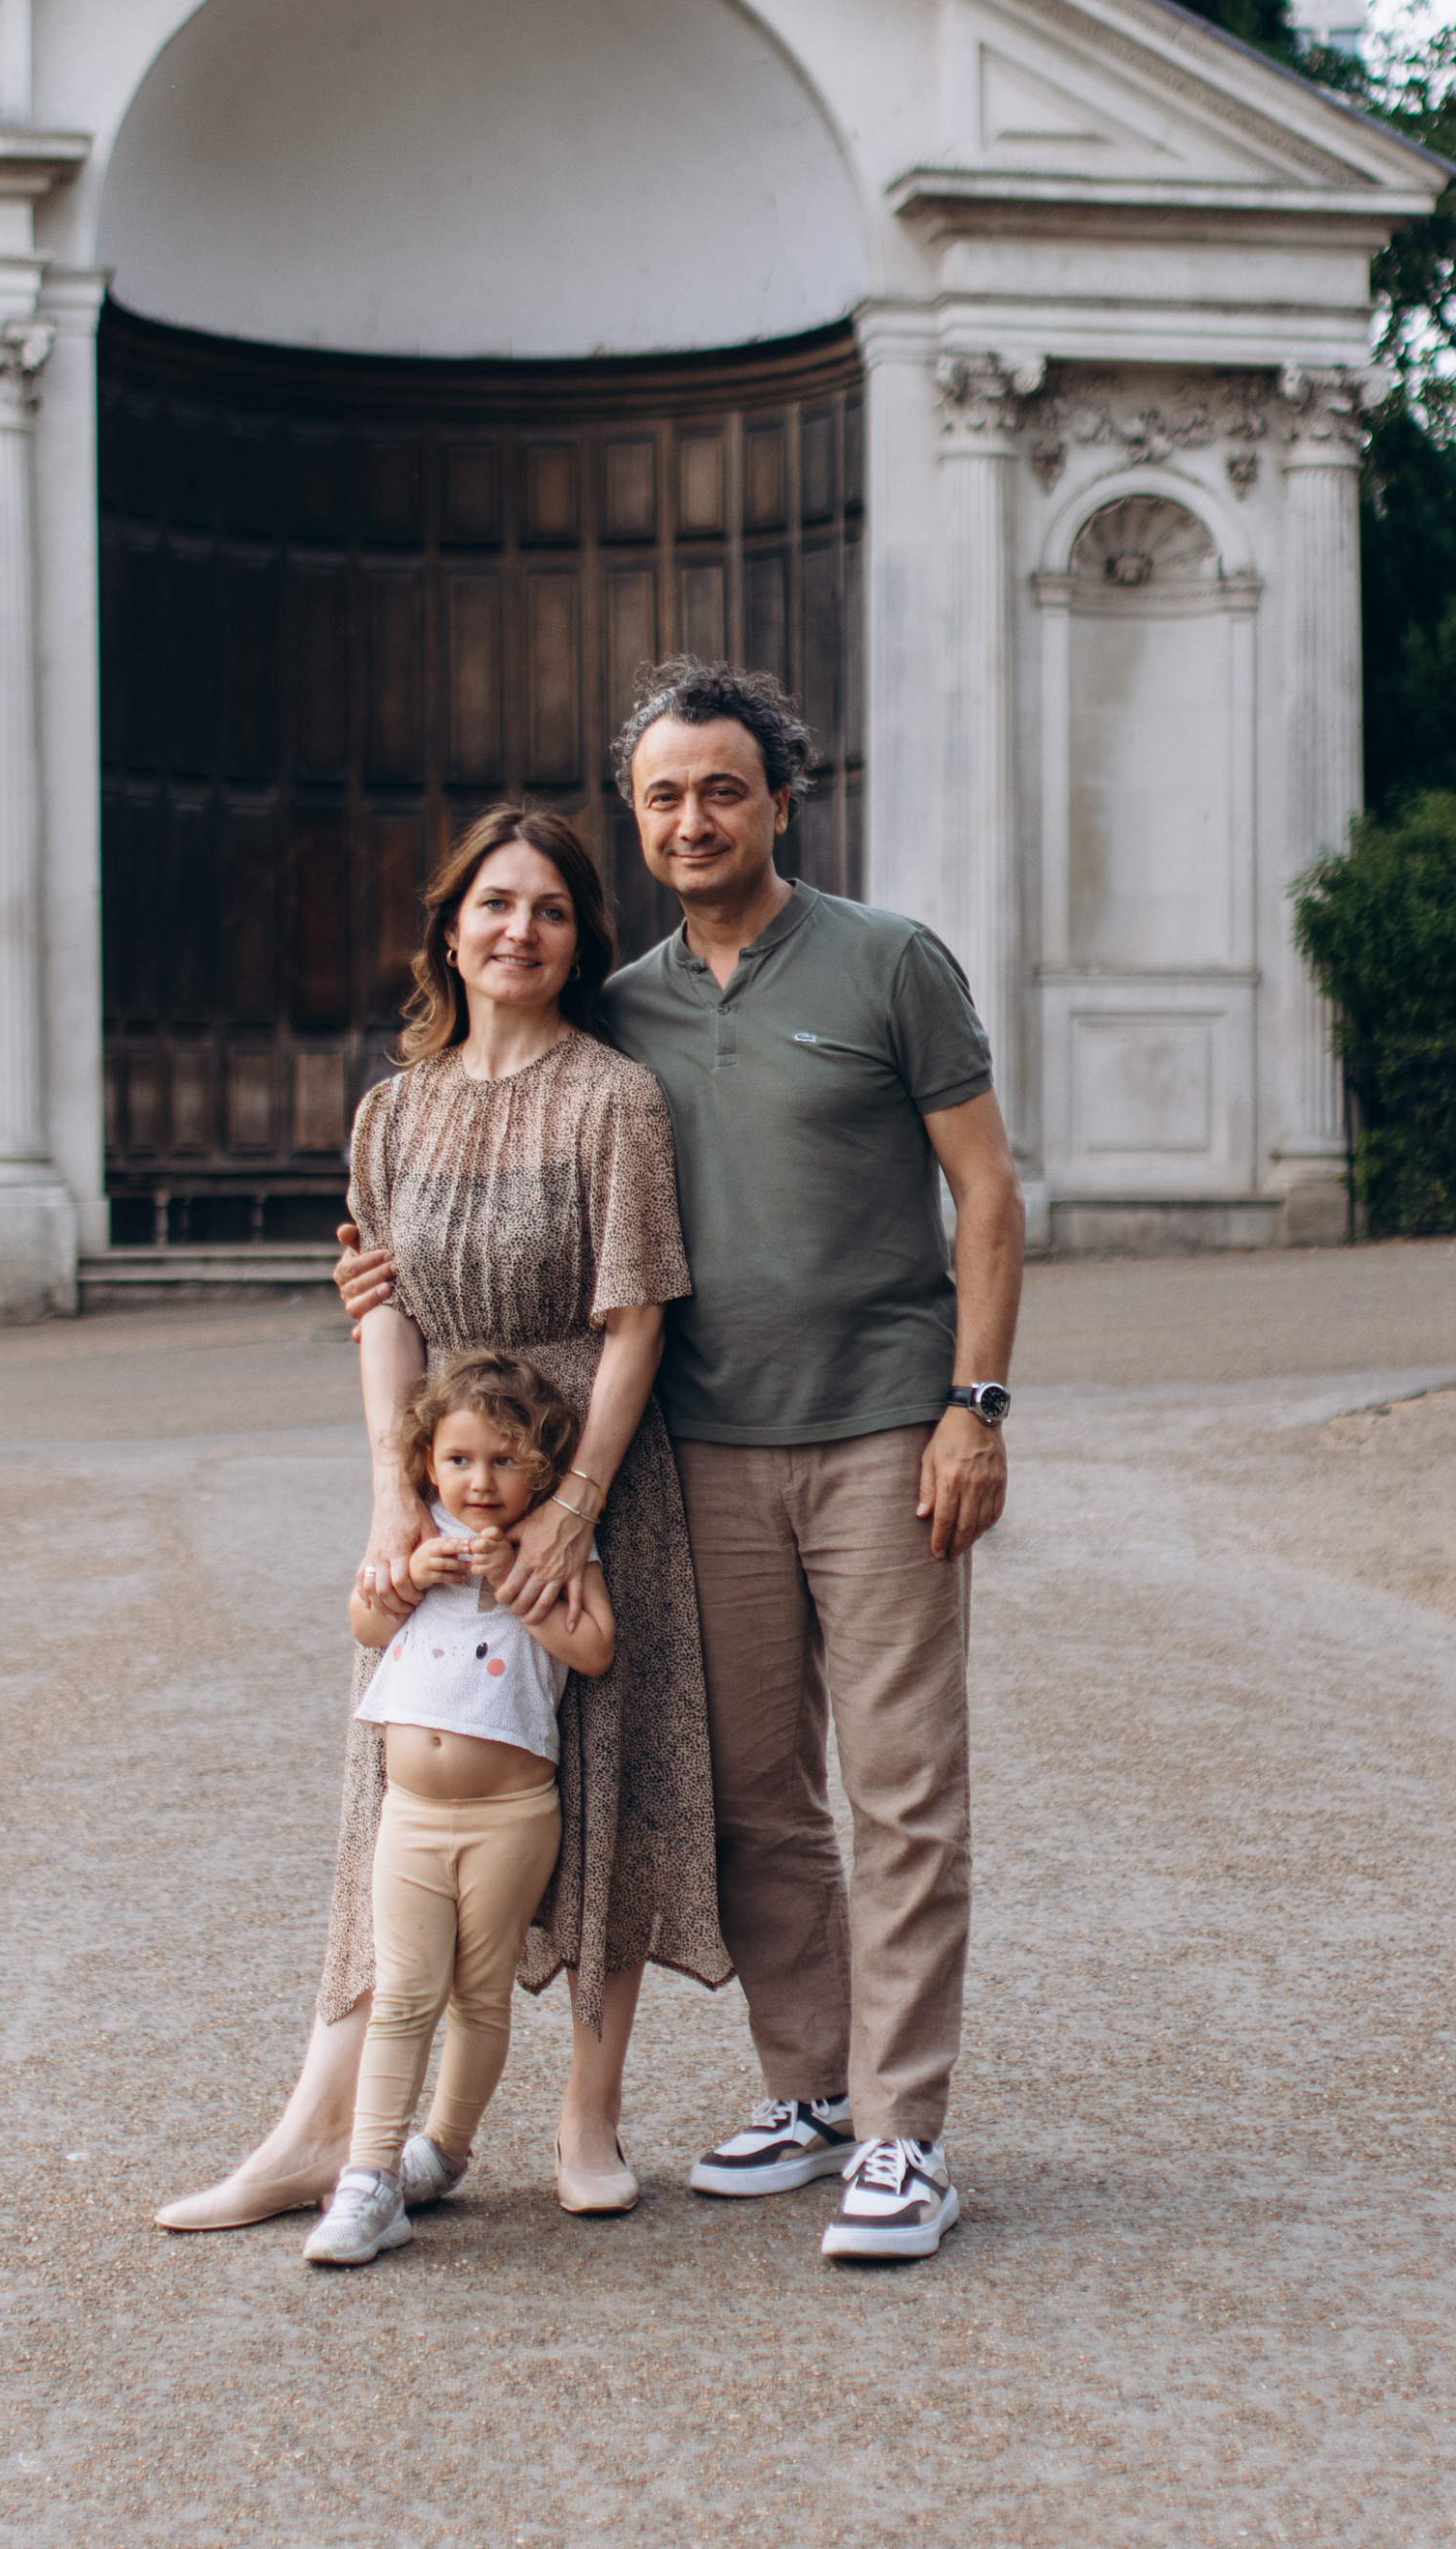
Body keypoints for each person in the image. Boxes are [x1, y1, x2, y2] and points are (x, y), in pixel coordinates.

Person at [336, 660, 1023, 2265]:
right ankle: (813, 2089)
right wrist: (379, 1274)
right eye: (661, 795)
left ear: (782, 797)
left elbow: (986, 1194)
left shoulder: (888, 961)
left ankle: (908, 2136)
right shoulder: (622, 1005)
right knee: (756, 1796)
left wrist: (976, 1403)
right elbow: (497, 1137)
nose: (693, 817)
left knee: (905, 1784)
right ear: (635, 819)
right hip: (703, 1451)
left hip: (882, 1429)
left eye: (724, 788)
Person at [156, 807, 728, 2234]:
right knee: (392, 1795)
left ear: (578, 937)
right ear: (450, 927)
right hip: (443, 1484)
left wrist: (577, 1511)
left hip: (590, 1480)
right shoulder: (392, 1109)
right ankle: (317, 2130)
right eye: (493, 904)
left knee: (608, 1782)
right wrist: (391, 1504)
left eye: (546, 908)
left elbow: (637, 1315)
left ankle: (586, 2123)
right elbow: (383, 1315)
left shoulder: (615, 1099)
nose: (517, 929)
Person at [305, 1352, 617, 2268]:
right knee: (404, 1992)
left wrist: (516, 1583)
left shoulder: (558, 1550)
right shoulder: (417, 1535)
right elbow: (365, 1626)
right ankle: (369, 2179)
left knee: (480, 1995)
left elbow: (594, 1649)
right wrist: (410, 1576)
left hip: (514, 1816)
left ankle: (442, 2150)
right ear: (428, 1464)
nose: (480, 1483)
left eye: (505, 1462)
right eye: (460, 1461)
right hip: (410, 1813)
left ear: (544, 1470)